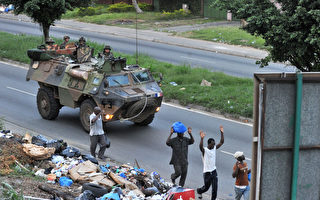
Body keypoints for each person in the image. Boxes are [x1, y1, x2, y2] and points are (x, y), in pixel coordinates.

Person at [197, 126, 224, 200]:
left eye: (214, 144)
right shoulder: (205, 150)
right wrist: (202, 138)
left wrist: (222, 132)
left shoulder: (214, 148)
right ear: (209, 144)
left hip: (214, 171)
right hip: (207, 173)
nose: (214, 145)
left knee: (215, 189)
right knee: (206, 188)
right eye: (212, 144)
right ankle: (199, 191)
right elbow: (200, 147)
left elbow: (221, 142)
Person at [166, 122, 194, 187]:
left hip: (184, 161)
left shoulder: (186, 140)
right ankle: (173, 177)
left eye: (183, 133)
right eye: (181, 133)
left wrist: (190, 134)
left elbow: (192, 141)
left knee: (184, 176)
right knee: (178, 173)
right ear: (178, 133)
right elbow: (167, 143)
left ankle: (180, 187)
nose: (183, 134)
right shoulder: (173, 140)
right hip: (176, 161)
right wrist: (171, 133)